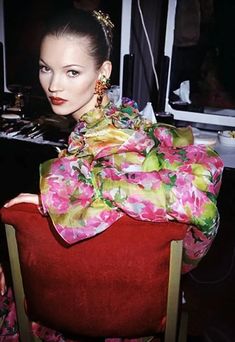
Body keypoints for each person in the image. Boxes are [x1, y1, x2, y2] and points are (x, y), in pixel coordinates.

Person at [1, 7, 223, 341]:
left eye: (72, 72)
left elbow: (177, 197)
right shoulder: (116, 120)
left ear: (102, 71)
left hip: (90, 298)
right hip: (122, 293)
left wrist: (50, 200)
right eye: (45, 68)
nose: (54, 85)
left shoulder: (110, 142)